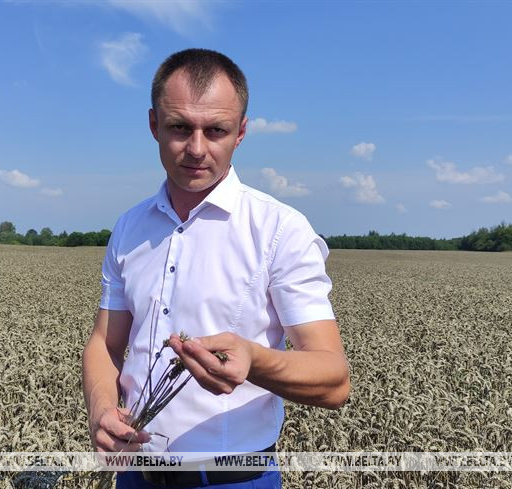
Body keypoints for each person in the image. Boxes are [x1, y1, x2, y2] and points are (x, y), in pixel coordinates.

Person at [82, 48, 350, 489]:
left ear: (241, 132)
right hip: (135, 476)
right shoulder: (129, 228)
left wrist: (254, 361)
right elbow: (105, 344)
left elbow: (333, 379)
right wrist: (101, 409)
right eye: (179, 127)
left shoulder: (279, 230)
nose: (196, 148)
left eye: (216, 130)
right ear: (153, 124)